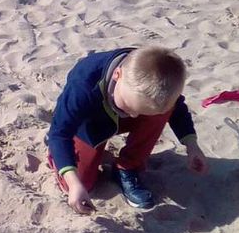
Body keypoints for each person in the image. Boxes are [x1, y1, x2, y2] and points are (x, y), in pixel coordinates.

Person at [46, 46, 209, 214]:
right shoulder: (83, 86)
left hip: (116, 115)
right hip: (90, 121)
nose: (132, 115)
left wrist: (192, 146)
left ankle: (127, 167)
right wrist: (73, 184)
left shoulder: (155, 82)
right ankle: (55, 153)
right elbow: (59, 133)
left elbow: (178, 109)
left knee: (164, 109)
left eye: (139, 111)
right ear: (117, 75)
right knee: (82, 182)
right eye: (128, 106)